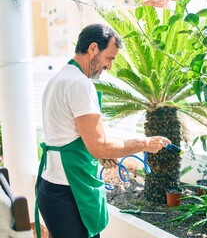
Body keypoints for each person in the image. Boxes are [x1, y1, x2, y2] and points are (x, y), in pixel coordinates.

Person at [34, 23, 171, 238]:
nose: (109, 67)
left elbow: (67, 136)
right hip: (70, 193)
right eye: (110, 58)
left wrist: (100, 154)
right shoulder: (79, 84)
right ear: (93, 48)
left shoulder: (59, 79)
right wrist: (144, 143)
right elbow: (99, 146)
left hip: (51, 188)